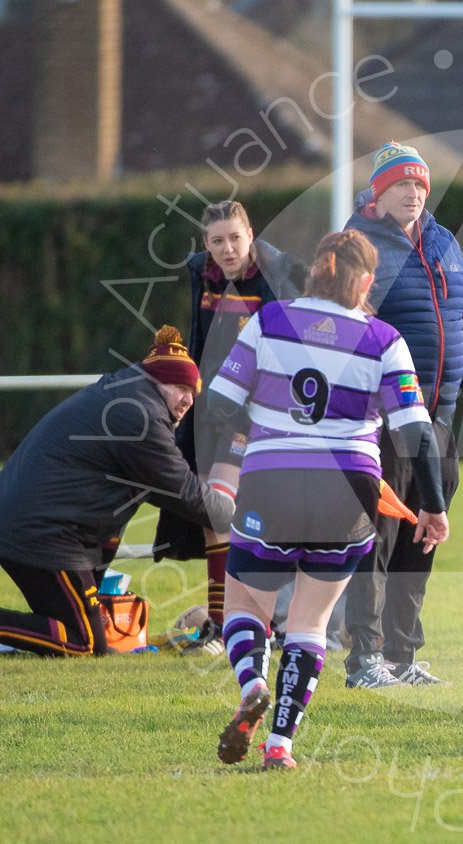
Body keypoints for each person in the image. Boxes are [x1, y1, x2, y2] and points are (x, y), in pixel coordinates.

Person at [209, 230, 450, 770]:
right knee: (311, 622)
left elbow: (219, 401)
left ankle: (253, 684)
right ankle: (280, 745)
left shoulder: (270, 320)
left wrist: (264, 421)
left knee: (246, 605)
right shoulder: (384, 339)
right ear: (366, 283)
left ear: (315, 270)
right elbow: (415, 431)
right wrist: (433, 505)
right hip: (349, 488)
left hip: (271, 478)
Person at [0, 327, 237, 657]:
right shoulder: (142, 416)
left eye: (193, 391)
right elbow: (189, 496)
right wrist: (236, 508)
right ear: (157, 381)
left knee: (76, 630)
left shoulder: (125, 391)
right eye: (181, 388)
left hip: (25, 522)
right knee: (85, 642)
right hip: (41, 533)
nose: (189, 400)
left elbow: (152, 486)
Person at [340, 141, 463, 688]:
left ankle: (403, 655)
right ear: (379, 191)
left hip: (438, 420)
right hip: (379, 421)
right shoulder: (357, 245)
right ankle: (364, 659)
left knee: (423, 534)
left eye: (420, 185)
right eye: (402, 184)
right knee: (376, 537)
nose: (413, 193)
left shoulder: (444, 241)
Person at [152, 200, 304, 655]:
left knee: (233, 511)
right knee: (213, 519)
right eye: (217, 241)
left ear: (251, 234)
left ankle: (257, 625)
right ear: (206, 244)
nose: (228, 248)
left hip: (255, 415)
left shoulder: (276, 276)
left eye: (235, 237)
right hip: (210, 414)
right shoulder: (202, 274)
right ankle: (225, 625)